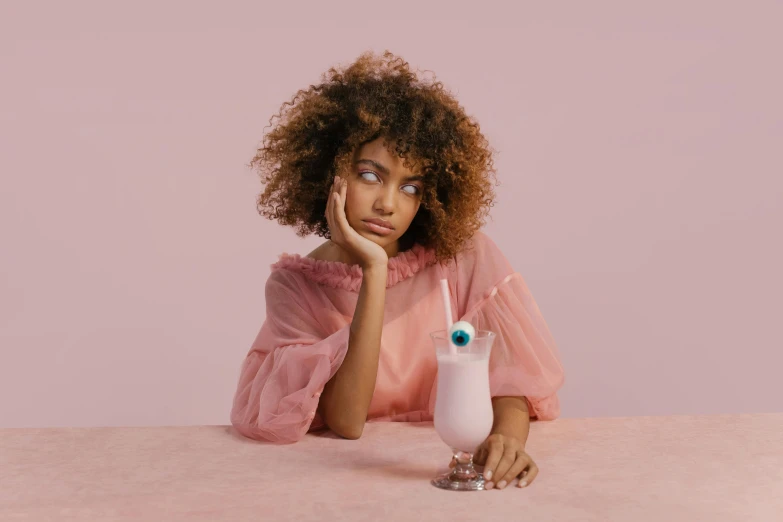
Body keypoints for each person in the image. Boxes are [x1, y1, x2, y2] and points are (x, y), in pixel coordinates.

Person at [230, 50, 565, 491]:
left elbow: (510, 376)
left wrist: (506, 438)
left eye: (410, 188)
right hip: (352, 484)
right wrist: (374, 269)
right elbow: (348, 423)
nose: (389, 203)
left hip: (448, 479)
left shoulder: (461, 258)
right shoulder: (295, 286)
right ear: (332, 173)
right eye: (370, 176)